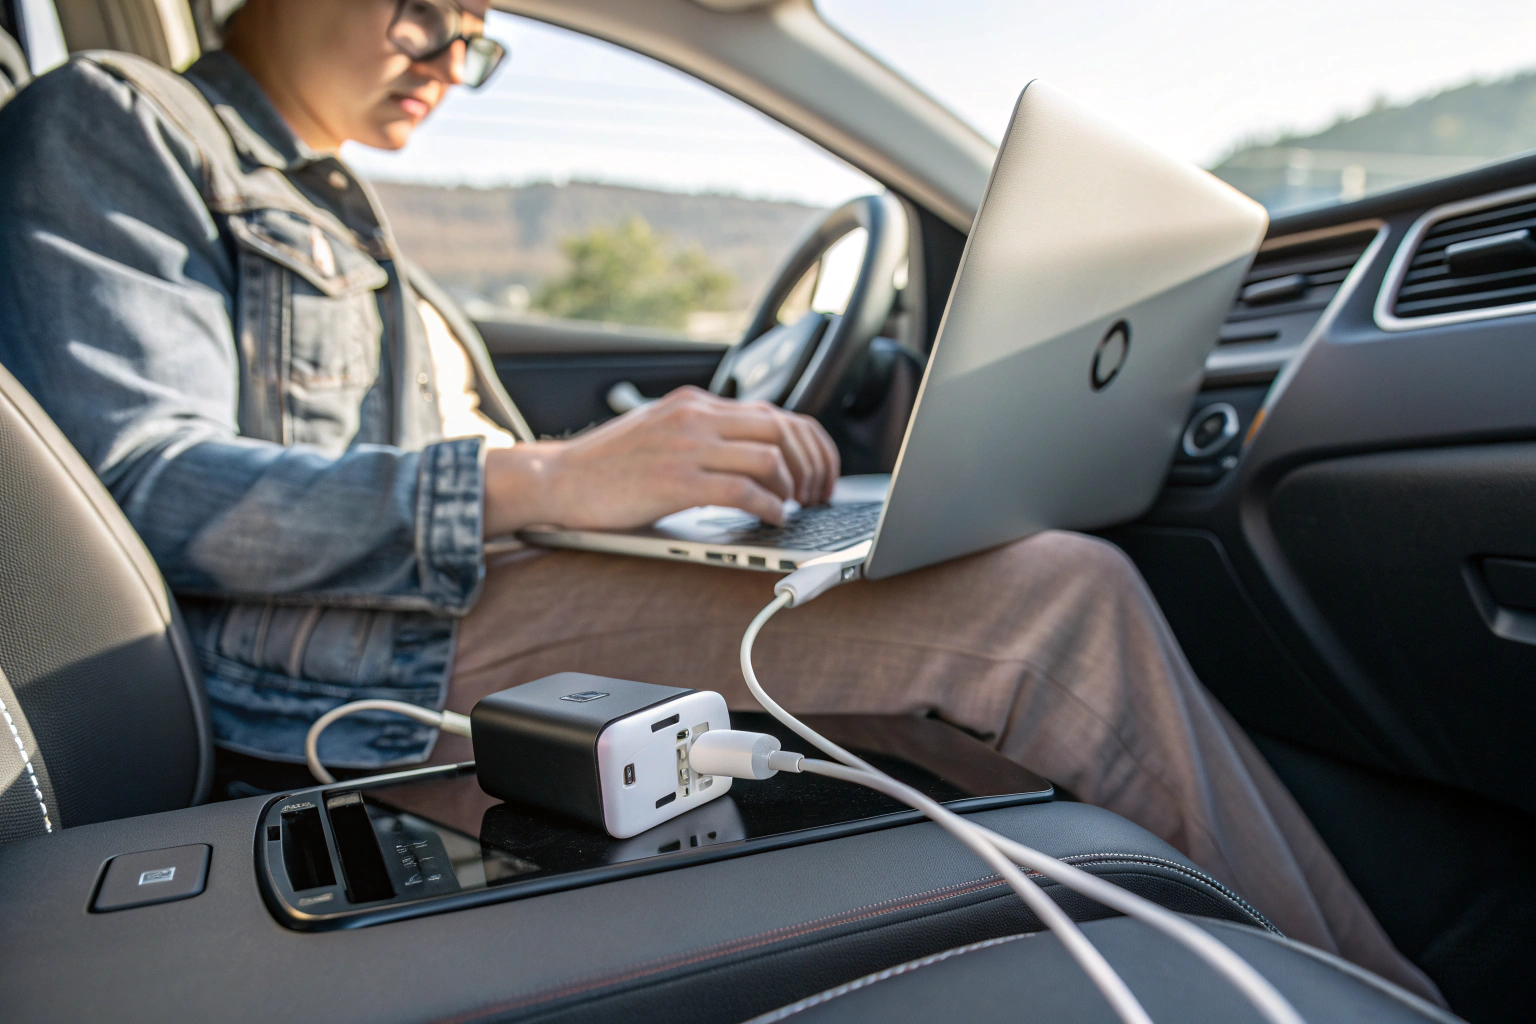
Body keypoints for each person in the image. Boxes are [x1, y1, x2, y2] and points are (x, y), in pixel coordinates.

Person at [0, 0, 1439, 1001]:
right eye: (424, 6)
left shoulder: (343, 206)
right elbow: (145, 485)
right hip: (347, 655)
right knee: (1048, 603)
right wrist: (559, 479)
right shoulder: (118, 122)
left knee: (967, 573)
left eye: (480, 37)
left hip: (463, 588)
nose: (450, 50)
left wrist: (658, 479)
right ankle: (1374, 1003)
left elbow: (450, 471)